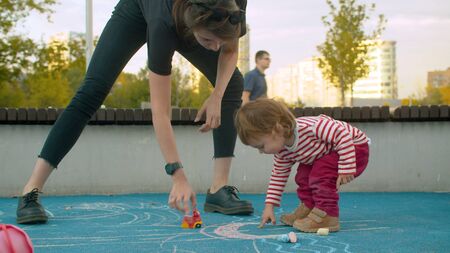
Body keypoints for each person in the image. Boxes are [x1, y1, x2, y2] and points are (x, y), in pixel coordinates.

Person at [16, 0, 255, 225]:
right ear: (193, 24)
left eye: (219, 43)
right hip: (140, 9)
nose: (216, 49)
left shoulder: (231, 6)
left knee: (232, 83)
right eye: (208, 40)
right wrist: (178, 176)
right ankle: (31, 190)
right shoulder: (164, 24)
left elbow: (229, 48)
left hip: (187, 15)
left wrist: (217, 96)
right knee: (93, 90)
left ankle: (218, 189)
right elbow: (160, 112)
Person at [234, 99, 370, 232]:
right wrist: (269, 207)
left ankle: (327, 215)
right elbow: (278, 176)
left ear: (277, 129)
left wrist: (346, 167)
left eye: (261, 146)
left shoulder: (311, 127)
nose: (261, 152)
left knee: (320, 173)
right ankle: (310, 207)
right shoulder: (282, 152)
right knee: (303, 176)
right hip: (327, 154)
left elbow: (342, 135)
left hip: (354, 147)